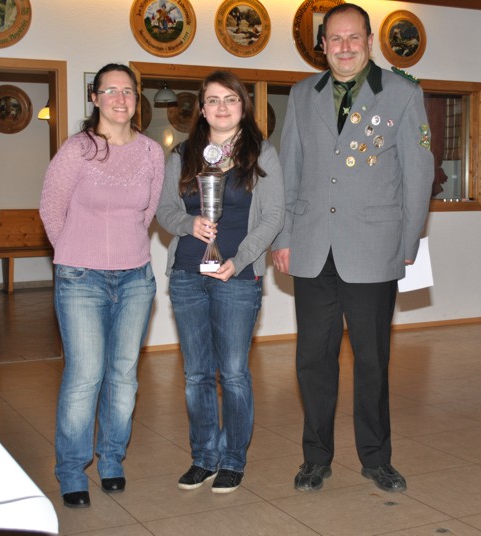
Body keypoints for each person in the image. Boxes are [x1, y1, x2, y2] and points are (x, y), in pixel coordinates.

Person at [270, 3, 434, 493]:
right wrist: (283, 236)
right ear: (322, 45)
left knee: (372, 361)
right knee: (312, 361)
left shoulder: (403, 93)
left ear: (369, 41)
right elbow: (289, 168)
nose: (344, 47)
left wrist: (408, 243)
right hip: (312, 247)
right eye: (335, 39)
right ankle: (315, 458)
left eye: (353, 37)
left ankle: (376, 459)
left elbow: (418, 174)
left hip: (374, 248)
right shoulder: (303, 94)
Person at [39, 63, 164, 508]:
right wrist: (76, 254)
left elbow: (146, 213)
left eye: (127, 90)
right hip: (81, 279)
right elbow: (51, 209)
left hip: (135, 279)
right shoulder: (77, 149)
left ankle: (111, 458)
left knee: (123, 376)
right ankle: (72, 469)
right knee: (85, 374)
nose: (119, 98)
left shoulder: (151, 152)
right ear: (94, 98)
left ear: (136, 98)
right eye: (110, 90)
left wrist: (122, 251)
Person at [156, 70, 284, 494]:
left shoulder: (261, 153)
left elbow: (273, 216)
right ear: (202, 108)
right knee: (196, 374)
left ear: (243, 106)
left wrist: (239, 259)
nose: (222, 107)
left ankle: (232, 460)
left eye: (230, 99)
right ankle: (203, 457)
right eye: (213, 100)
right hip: (187, 275)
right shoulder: (182, 155)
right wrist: (188, 223)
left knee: (232, 373)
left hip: (237, 276)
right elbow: (164, 210)